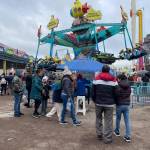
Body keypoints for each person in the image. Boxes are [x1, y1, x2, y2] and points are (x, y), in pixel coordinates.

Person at [92, 65, 117, 144]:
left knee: (98, 118)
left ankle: (99, 134)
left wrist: (94, 100)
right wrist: (114, 101)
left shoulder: (96, 78)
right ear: (109, 70)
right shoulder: (113, 79)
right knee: (108, 121)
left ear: (102, 70)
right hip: (109, 104)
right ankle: (108, 138)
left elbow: (93, 91)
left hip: (98, 103)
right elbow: (116, 92)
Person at [114, 74, 131, 142]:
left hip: (119, 104)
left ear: (120, 79)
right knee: (127, 120)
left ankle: (117, 131)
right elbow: (129, 93)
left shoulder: (118, 85)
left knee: (118, 119)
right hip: (127, 105)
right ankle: (128, 136)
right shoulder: (128, 85)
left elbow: (116, 95)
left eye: (118, 78)